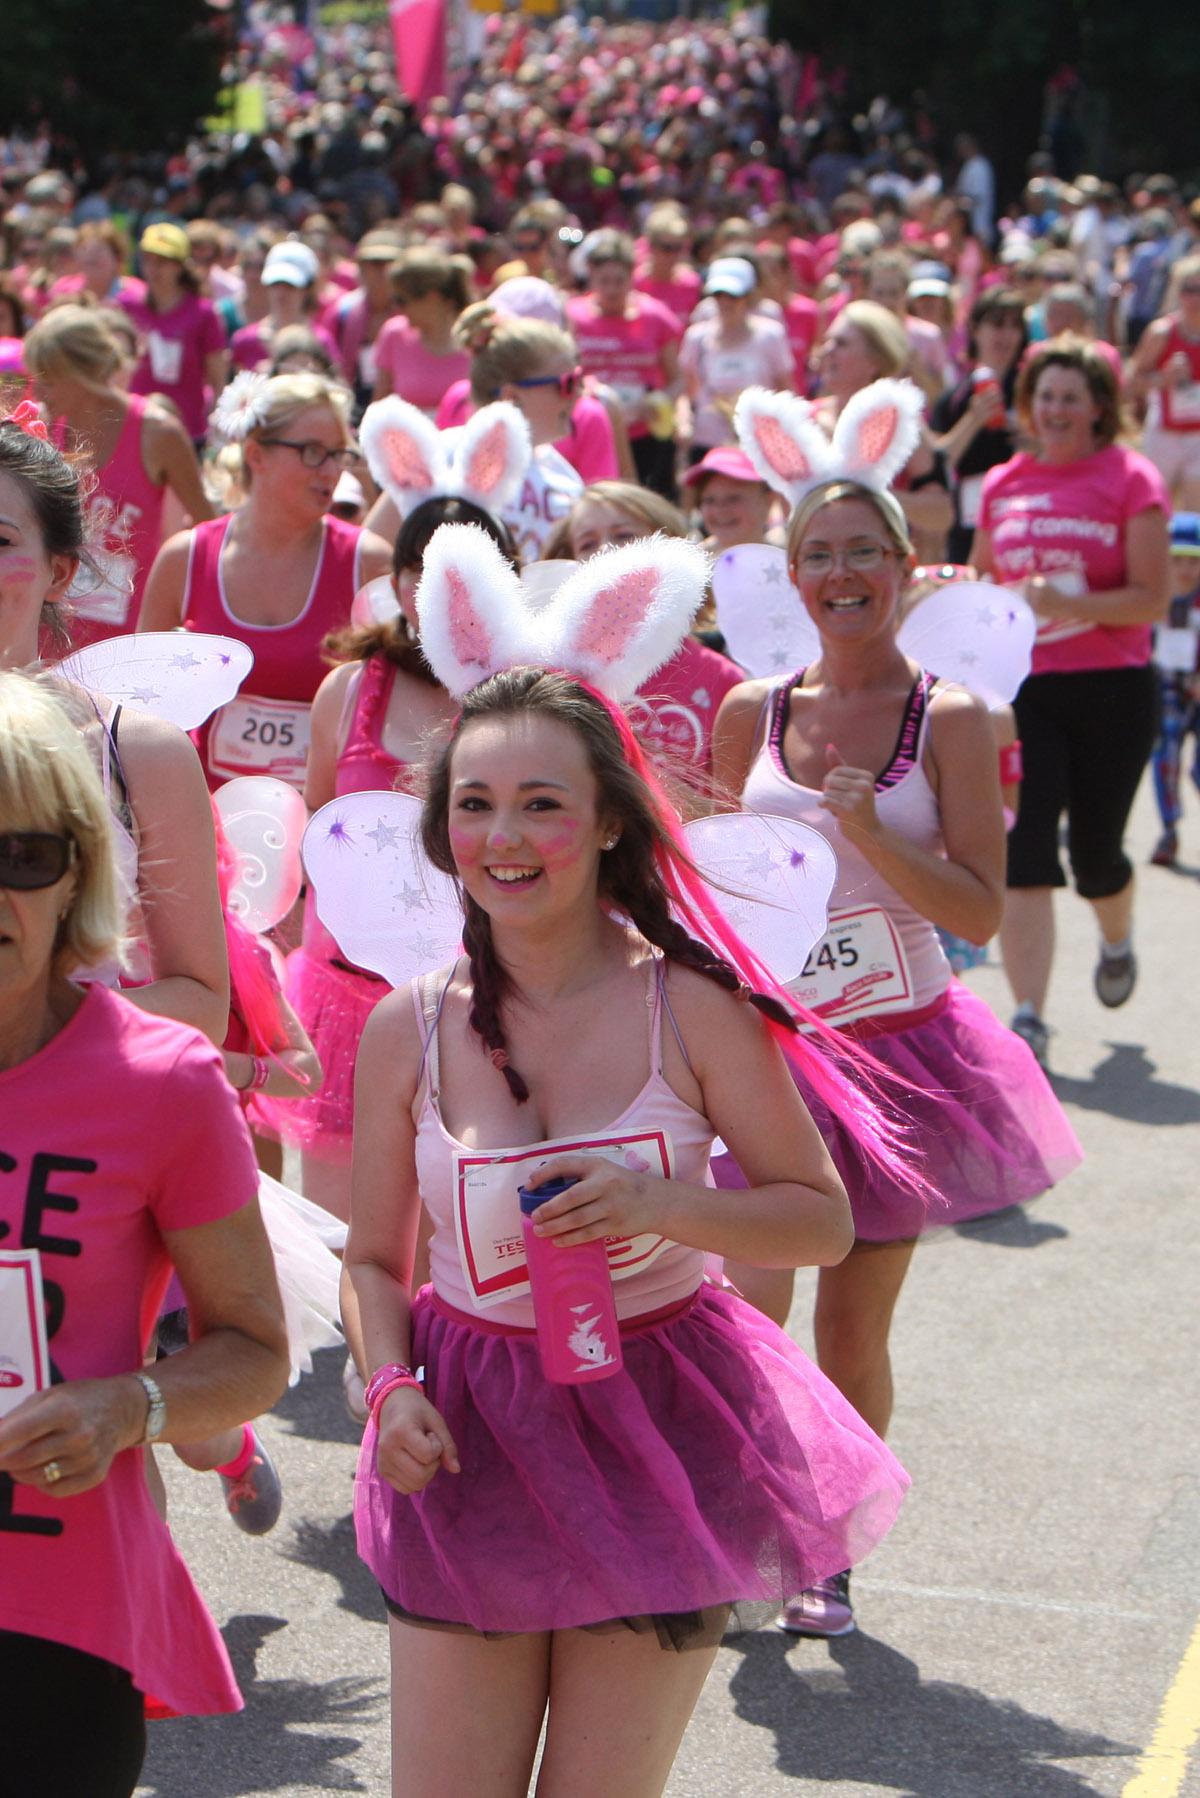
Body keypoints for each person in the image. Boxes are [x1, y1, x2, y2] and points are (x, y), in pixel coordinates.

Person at [348, 534, 912, 1795]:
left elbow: (820, 1223)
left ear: (608, 822)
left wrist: (667, 1205)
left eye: (543, 802)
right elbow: (377, 1262)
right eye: (476, 802)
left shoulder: (696, 1007)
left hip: (658, 1421)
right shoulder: (409, 1026)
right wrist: (386, 1388)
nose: (506, 833)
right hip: (471, 1430)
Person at [714, 382, 1082, 1634]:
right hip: (768, 1052)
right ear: (794, 577)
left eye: (863, 550)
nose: (842, 573)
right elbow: (719, 892)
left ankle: (828, 1541)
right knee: (738, 1308)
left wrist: (870, 827)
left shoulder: (956, 718)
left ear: (903, 564)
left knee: (850, 1325)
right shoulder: (748, 711)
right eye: (818, 555)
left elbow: (980, 910)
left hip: (902, 1057)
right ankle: (744, 1517)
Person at [0, 668, 289, 1794]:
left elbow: (254, 1351)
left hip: (53, 1625)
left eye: (19, 857)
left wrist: (132, 1404)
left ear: (77, 872)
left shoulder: (159, 1083)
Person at [264, 497, 478, 1225]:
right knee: (352, 1239)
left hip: (477, 997)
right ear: (400, 582)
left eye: (465, 572)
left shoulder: (525, 697)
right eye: (422, 571)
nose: (442, 592)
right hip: (348, 993)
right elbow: (318, 827)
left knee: (451, 1248)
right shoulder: (351, 689)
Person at [0, 407, 229, 1044]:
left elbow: (204, 1001)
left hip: (77, 1127)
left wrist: (42, 1025)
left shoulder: (139, 752)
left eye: (0, 542)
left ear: (59, 571)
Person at [972, 339, 1170, 1062]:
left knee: (1095, 854)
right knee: (1026, 849)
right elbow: (981, 582)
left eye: (1069, 398)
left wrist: (1061, 597)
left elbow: (1153, 596)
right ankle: (1029, 1015)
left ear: (1096, 408)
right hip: (1024, 689)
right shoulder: (1003, 482)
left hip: (1112, 688)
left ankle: (1116, 937)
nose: (1053, 411)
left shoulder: (1130, 477)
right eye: (1043, 396)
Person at [138, 371, 392, 791]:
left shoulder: (369, 563)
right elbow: (139, 706)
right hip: (204, 818)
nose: (331, 471)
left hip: (321, 828)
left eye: (339, 454)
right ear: (256, 455)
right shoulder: (184, 559)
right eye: (313, 452)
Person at [24, 305, 213, 644]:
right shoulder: (45, 428)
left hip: (130, 641)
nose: (38, 393)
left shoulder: (158, 432)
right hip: (51, 636)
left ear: (80, 373)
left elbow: (208, 531)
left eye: (47, 381)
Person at [551, 482, 745, 779]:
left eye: (624, 535)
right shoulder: (552, 677)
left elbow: (734, 813)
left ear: (670, 546)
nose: (606, 550)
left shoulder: (725, 681)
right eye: (587, 544)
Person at [814, 300, 953, 564]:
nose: (826, 351)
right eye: (827, 341)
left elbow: (940, 514)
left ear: (875, 361)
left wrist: (869, 496)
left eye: (841, 344)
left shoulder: (901, 422)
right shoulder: (805, 420)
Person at [567, 230, 683, 499]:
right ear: (590, 277)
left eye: (619, 281)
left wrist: (661, 400)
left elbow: (677, 378)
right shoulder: (573, 317)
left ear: (632, 277)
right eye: (603, 280)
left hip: (646, 434)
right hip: (593, 433)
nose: (611, 290)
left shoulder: (656, 317)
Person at [930, 287, 1027, 562]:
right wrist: (973, 419)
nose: (1005, 335)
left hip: (1024, 514)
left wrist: (1029, 439)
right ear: (976, 329)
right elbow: (939, 463)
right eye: (996, 324)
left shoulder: (1035, 391)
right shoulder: (955, 397)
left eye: (1013, 326)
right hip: (970, 519)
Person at [118, 222, 228, 449]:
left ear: (179, 266)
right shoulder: (127, 306)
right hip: (134, 426)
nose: (153, 269)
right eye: (147, 260)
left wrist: (216, 428)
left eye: (162, 262)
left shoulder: (203, 313)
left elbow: (218, 378)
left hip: (188, 430)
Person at [679, 257, 793, 461]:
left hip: (759, 443)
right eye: (718, 295)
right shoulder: (696, 338)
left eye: (733, 296)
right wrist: (684, 422)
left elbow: (785, 389)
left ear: (748, 297)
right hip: (708, 443)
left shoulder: (770, 336)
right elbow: (687, 391)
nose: (725, 302)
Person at [1147, 511, 1200, 867]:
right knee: (1164, 756)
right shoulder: (1152, 597)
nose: (1185, 570)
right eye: (1177, 560)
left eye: (1193, 561)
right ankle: (1169, 829)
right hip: (1164, 688)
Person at [1128, 254, 1200, 511]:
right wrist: (1164, 378)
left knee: (1193, 521)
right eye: (1188, 289)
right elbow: (1130, 385)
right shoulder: (1162, 333)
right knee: (1156, 508)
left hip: (1198, 438)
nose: (1194, 298)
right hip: (1164, 435)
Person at [370, 247, 472, 415]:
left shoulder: (475, 338)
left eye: (401, 300)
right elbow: (377, 409)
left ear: (432, 297)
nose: (396, 307)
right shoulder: (393, 334)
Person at [230, 241, 338, 374]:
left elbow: (339, 390)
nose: (281, 294)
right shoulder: (244, 341)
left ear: (307, 289)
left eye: (290, 286)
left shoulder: (322, 341)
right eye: (275, 284)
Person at [681, 445, 782, 553]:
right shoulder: (693, 564)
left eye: (733, 499)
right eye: (709, 500)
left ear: (769, 500)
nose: (719, 509)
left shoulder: (787, 563)